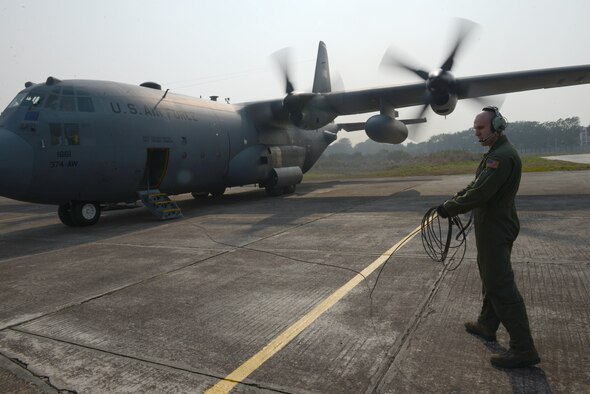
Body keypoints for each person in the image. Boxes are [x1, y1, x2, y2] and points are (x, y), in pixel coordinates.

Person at [436, 106, 540, 369]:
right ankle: (487, 324)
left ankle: (523, 348)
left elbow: (481, 194)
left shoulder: (501, 157)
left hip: (496, 227)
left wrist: (450, 208)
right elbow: (477, 185)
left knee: (500, 285)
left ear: (497, 126)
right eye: (475, 128)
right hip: (491, 226)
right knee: (490, 276)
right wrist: (457, 197)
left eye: (481, 128)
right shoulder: (494, 153)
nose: (476, 132)